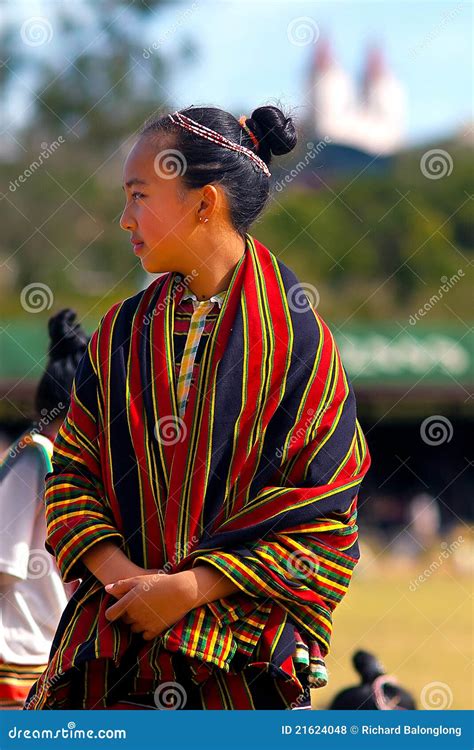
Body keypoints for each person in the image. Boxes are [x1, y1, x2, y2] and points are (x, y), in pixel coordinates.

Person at [25, 105, 371, 710]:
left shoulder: (298, 343)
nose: (124, 217)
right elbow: (72, 474)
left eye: (139, 196)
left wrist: (188, 589)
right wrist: (128, 582)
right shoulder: (121, 332)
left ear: (204, 203)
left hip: (238, 660)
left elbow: (324, 518)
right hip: (113, 648)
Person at [0, 309, 88, 708]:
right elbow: (5, 564)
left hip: (49, 650)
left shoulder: (64, 463)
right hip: (19, 651)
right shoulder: (34, 458)